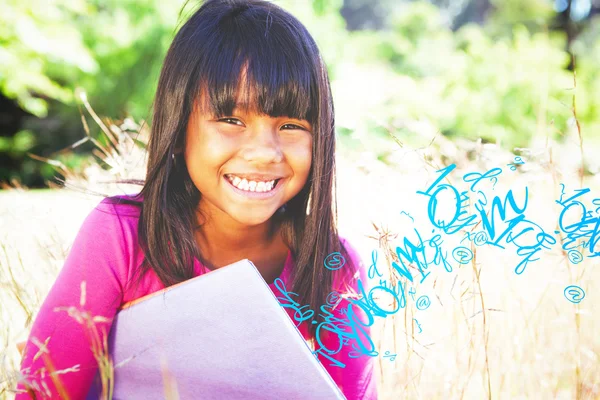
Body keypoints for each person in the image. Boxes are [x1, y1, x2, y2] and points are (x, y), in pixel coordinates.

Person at [15, 0, 378, 398]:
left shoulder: (333, 268)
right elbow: (44, 390)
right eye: (231, 120)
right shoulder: (120, 238)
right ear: (178, 125)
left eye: (291, 125)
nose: (263, 152)